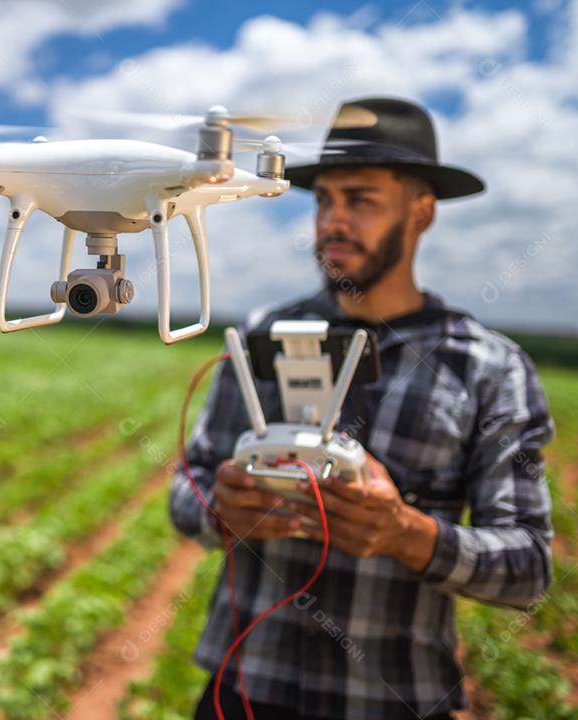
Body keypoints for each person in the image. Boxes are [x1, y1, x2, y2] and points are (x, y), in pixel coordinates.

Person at [170, 96, 555, 720]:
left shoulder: (488, 367)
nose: (333, 221)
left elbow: (528, 567)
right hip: (242, 690)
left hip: (388, 699)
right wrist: (223, 508)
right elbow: (186, 491)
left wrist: (409, 534)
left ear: (421, 212)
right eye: (324, 200)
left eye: (362, 199)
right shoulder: (264, 335)